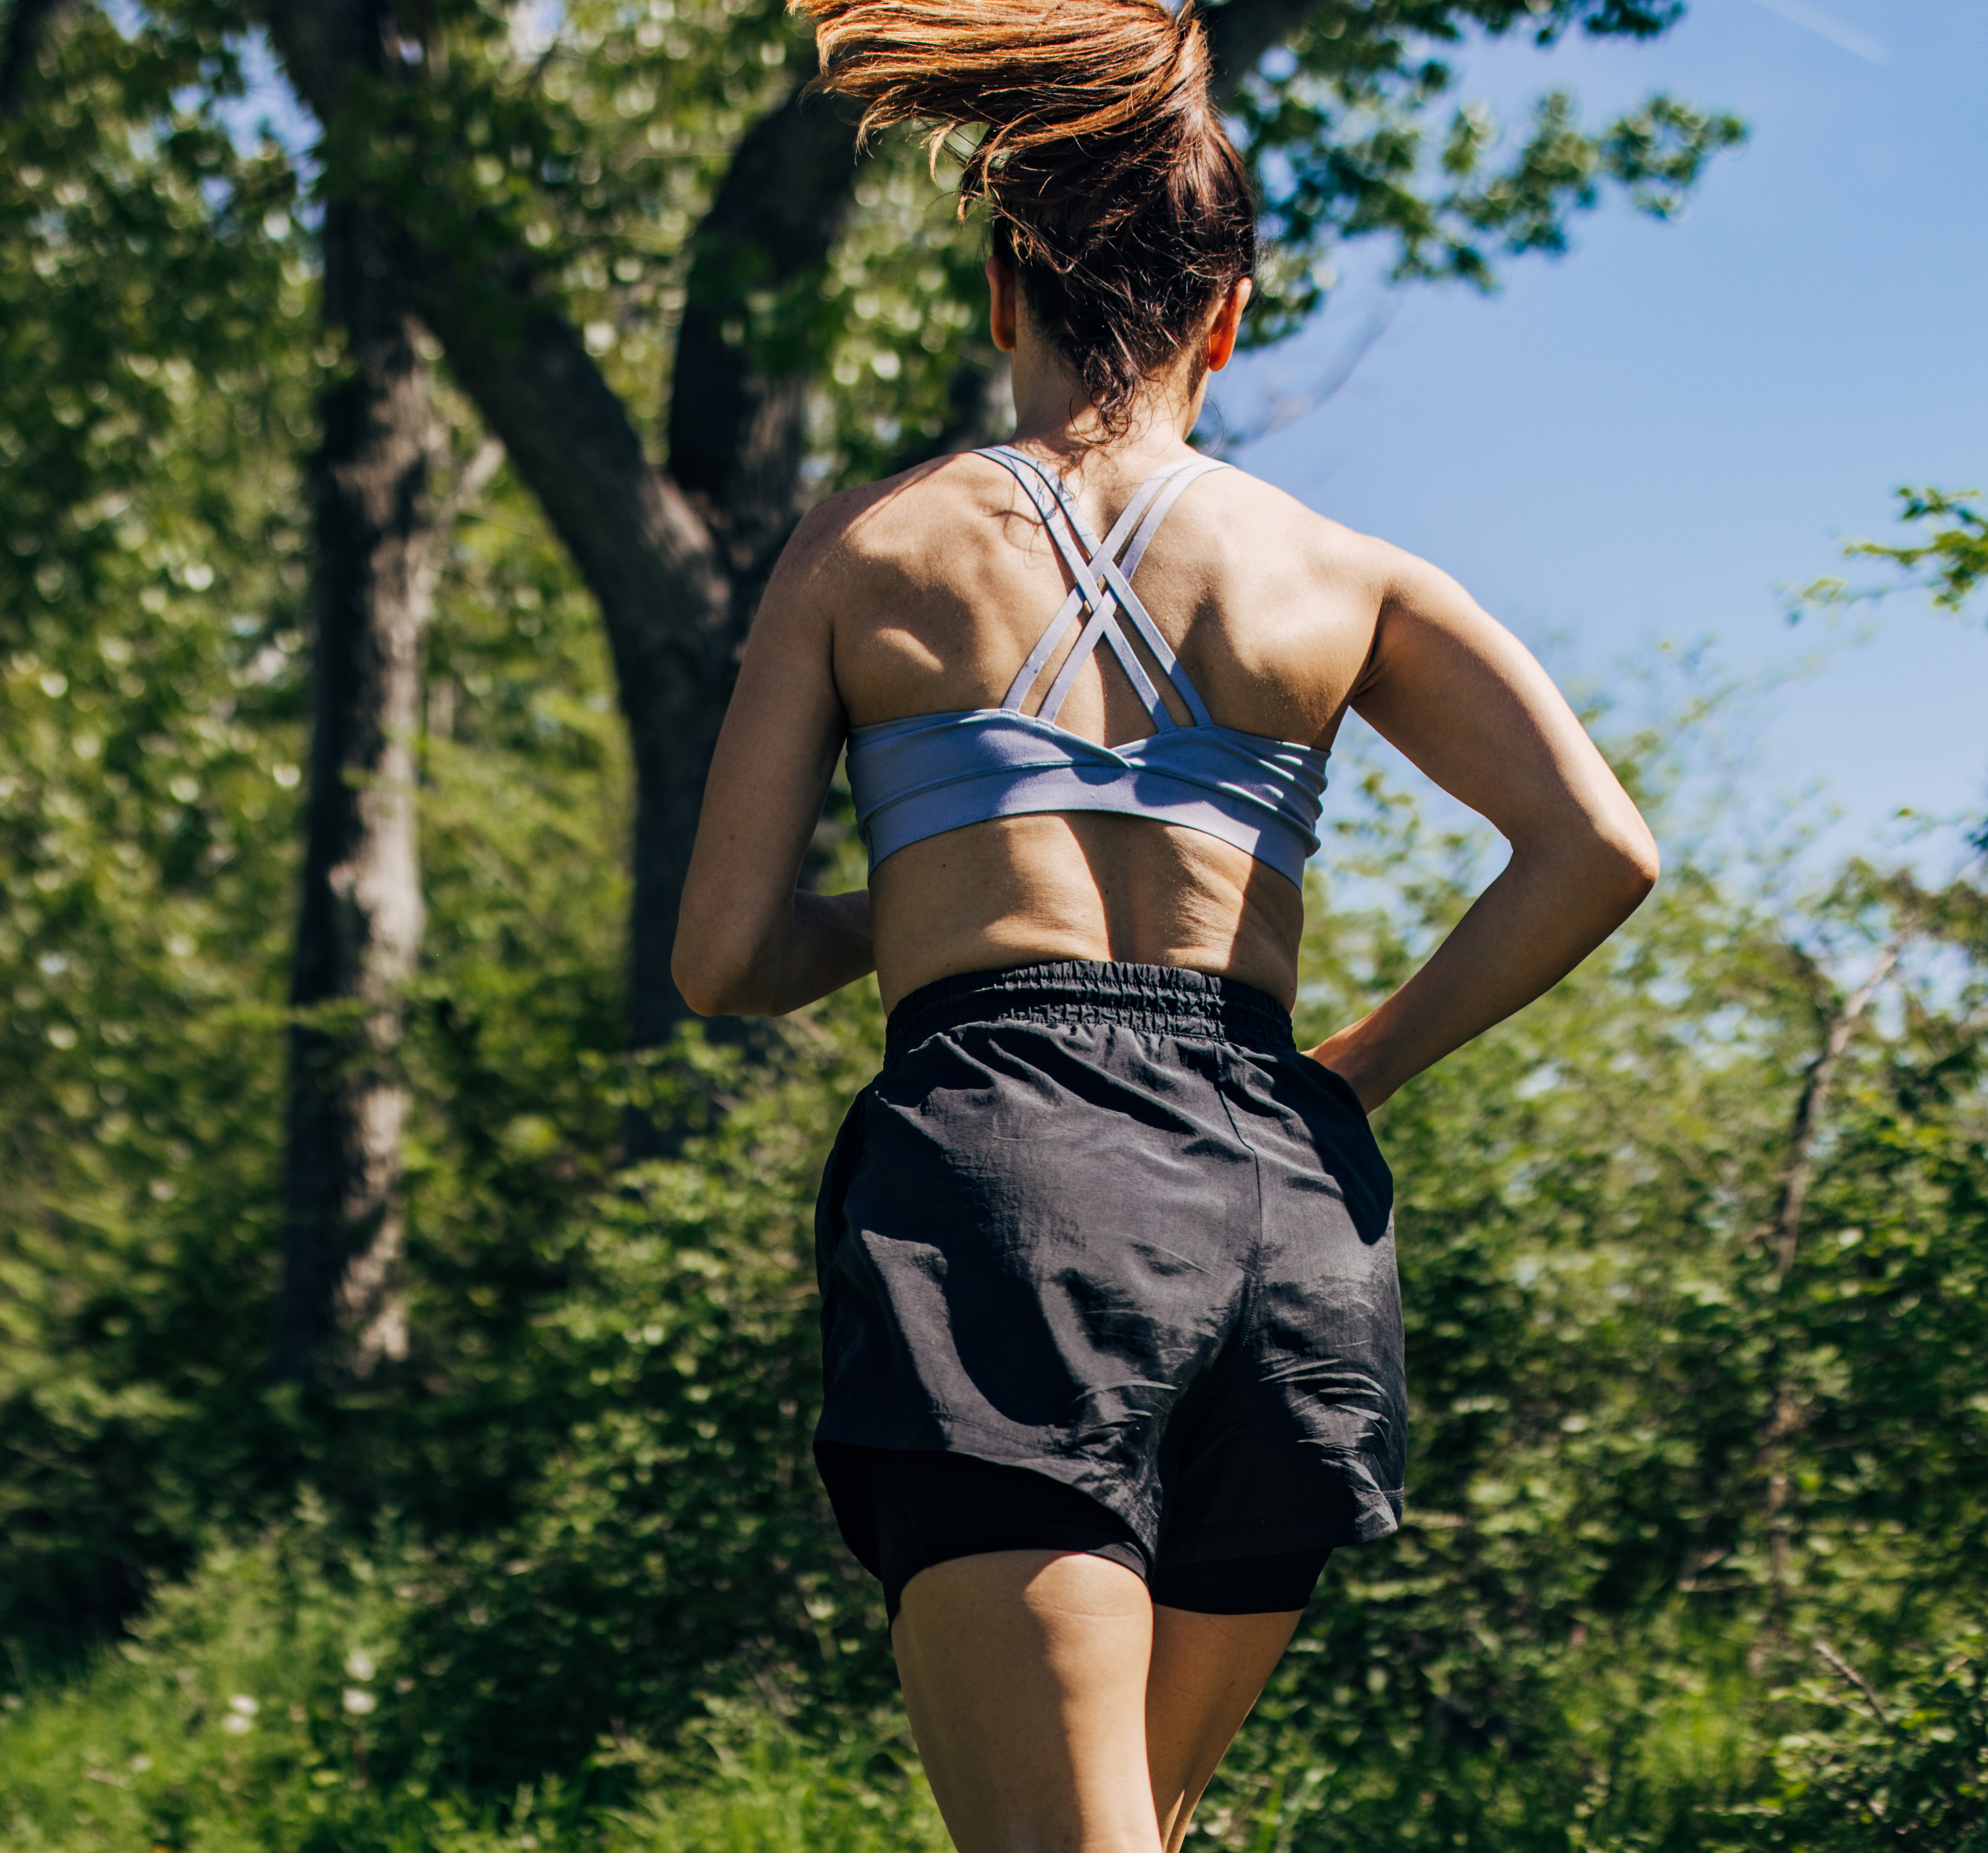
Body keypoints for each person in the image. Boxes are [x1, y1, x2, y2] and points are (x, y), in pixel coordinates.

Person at [671, 0, 1659, 1841]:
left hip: (1010, 1183)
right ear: (1227, 317)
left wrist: (917, 901)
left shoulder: (866, 546)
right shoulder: (1340, 571)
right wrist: (1347, 1075)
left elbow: (723, 957)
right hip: (1286, 1215)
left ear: (1003, 295)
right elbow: (1596, 847)